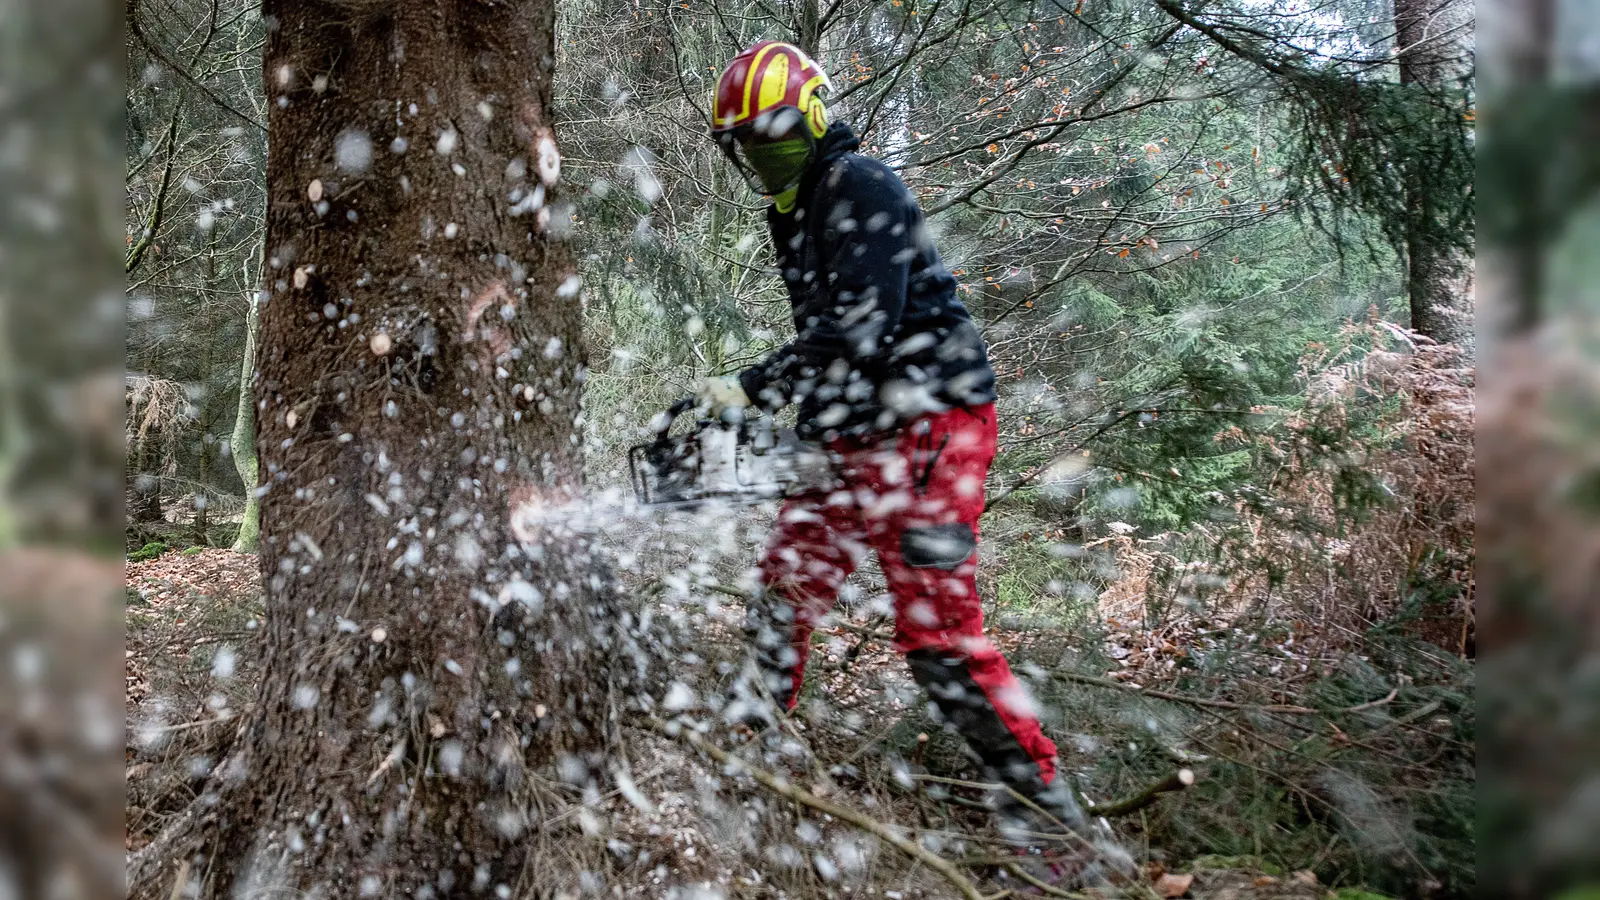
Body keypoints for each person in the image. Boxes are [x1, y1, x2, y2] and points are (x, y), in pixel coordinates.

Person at [699, 40, 1092, 846]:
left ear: (811, 123)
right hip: (858, 424)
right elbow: (832, 344)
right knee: (787, 583)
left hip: (931, 422)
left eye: (776, 137)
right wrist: (799, 437)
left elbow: (861, 331)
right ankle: (749, 749)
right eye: (749, 145)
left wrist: (750, 386)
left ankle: (1057, 825)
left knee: (939, 638)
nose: (764, 156)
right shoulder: (799, 207)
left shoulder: (858, 184)